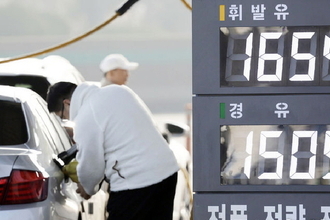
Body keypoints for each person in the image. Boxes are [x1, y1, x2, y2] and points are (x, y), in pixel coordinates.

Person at [46, 81, 179, 220]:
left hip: (136, 182)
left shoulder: (85, 117)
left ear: (67, 103)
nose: (67, 118)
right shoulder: (119, 91)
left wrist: (87, 187)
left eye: (62, 116)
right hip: (167, 172)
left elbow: (91, 165)